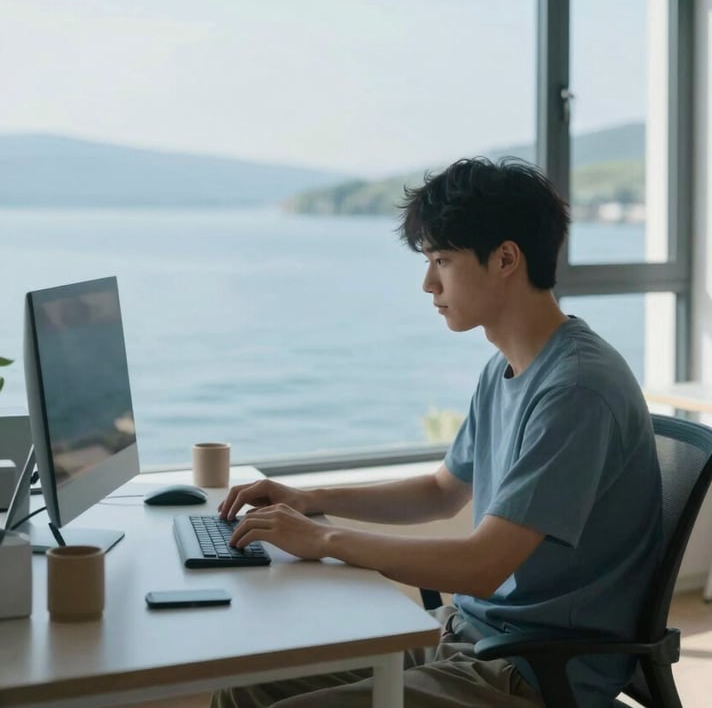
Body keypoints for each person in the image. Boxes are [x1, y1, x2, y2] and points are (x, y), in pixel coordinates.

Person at [211, 157, 662, 708]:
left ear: (506, 259)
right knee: (246, 685)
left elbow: (481, 566)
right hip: (468, 637)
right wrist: (310, 499)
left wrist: (324, 540)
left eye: (442, 261)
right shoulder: (505, 369)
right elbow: (441, 491)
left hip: (531, 671)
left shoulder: (577, 389)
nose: (428, 284)